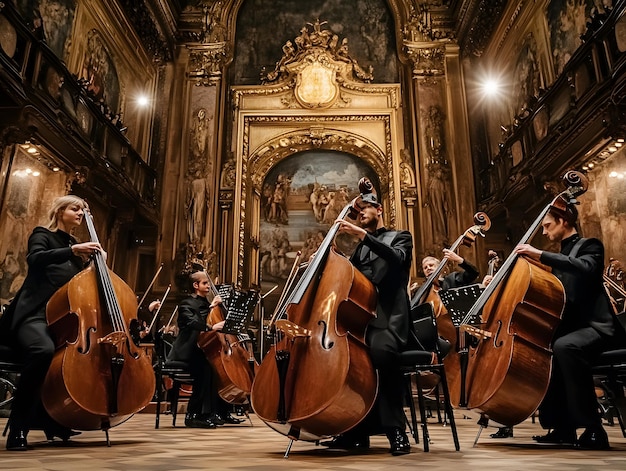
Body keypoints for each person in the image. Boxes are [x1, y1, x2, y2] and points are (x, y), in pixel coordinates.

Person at [515, 200, 625, 449]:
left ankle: (594, 428)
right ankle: (562, 427)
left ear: (564, 221)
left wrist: (540, 254)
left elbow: (586, 268)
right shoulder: (557, 257)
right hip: (570, 329)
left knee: (565, 347)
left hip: (596, 328)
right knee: (546, 349)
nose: (544, 232)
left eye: (548, 225)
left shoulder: (590, 246)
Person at [0, 195, 104, 451]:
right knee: (42, 351)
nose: (81, 213)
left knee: (63, 363)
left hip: (63, 321)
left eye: (84, 210)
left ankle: (53, 419)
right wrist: (73, 251)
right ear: (60, 212)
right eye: (75, 208)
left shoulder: (75, 245)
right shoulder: (42, 234)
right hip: (34, 314)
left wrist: (99, 263)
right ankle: (18, 428)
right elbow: (35, 259)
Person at [322, 190, 413, 456]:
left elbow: (397, 259)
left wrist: (364, 237)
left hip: (388, 321)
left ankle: (397, 431)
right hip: (361, 320)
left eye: (366, 209)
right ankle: (354, 430)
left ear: (380, 210)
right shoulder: (360, 249)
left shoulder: (401, 237)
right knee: (347, 359)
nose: (361, 212)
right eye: (358, 210)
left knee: (382, 355)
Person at [167, 271, 243, 428]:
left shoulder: (207, 305)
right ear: (196, 285)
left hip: (201, 351)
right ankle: (193, 415)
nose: (209, 286)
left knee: (215, 370)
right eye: (205, 283)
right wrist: (211, 325)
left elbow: (208, 317)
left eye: (208, 283)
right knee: (205, 370)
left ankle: (218, 412)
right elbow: (192, 322)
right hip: (187, 352)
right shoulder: (187, 304)